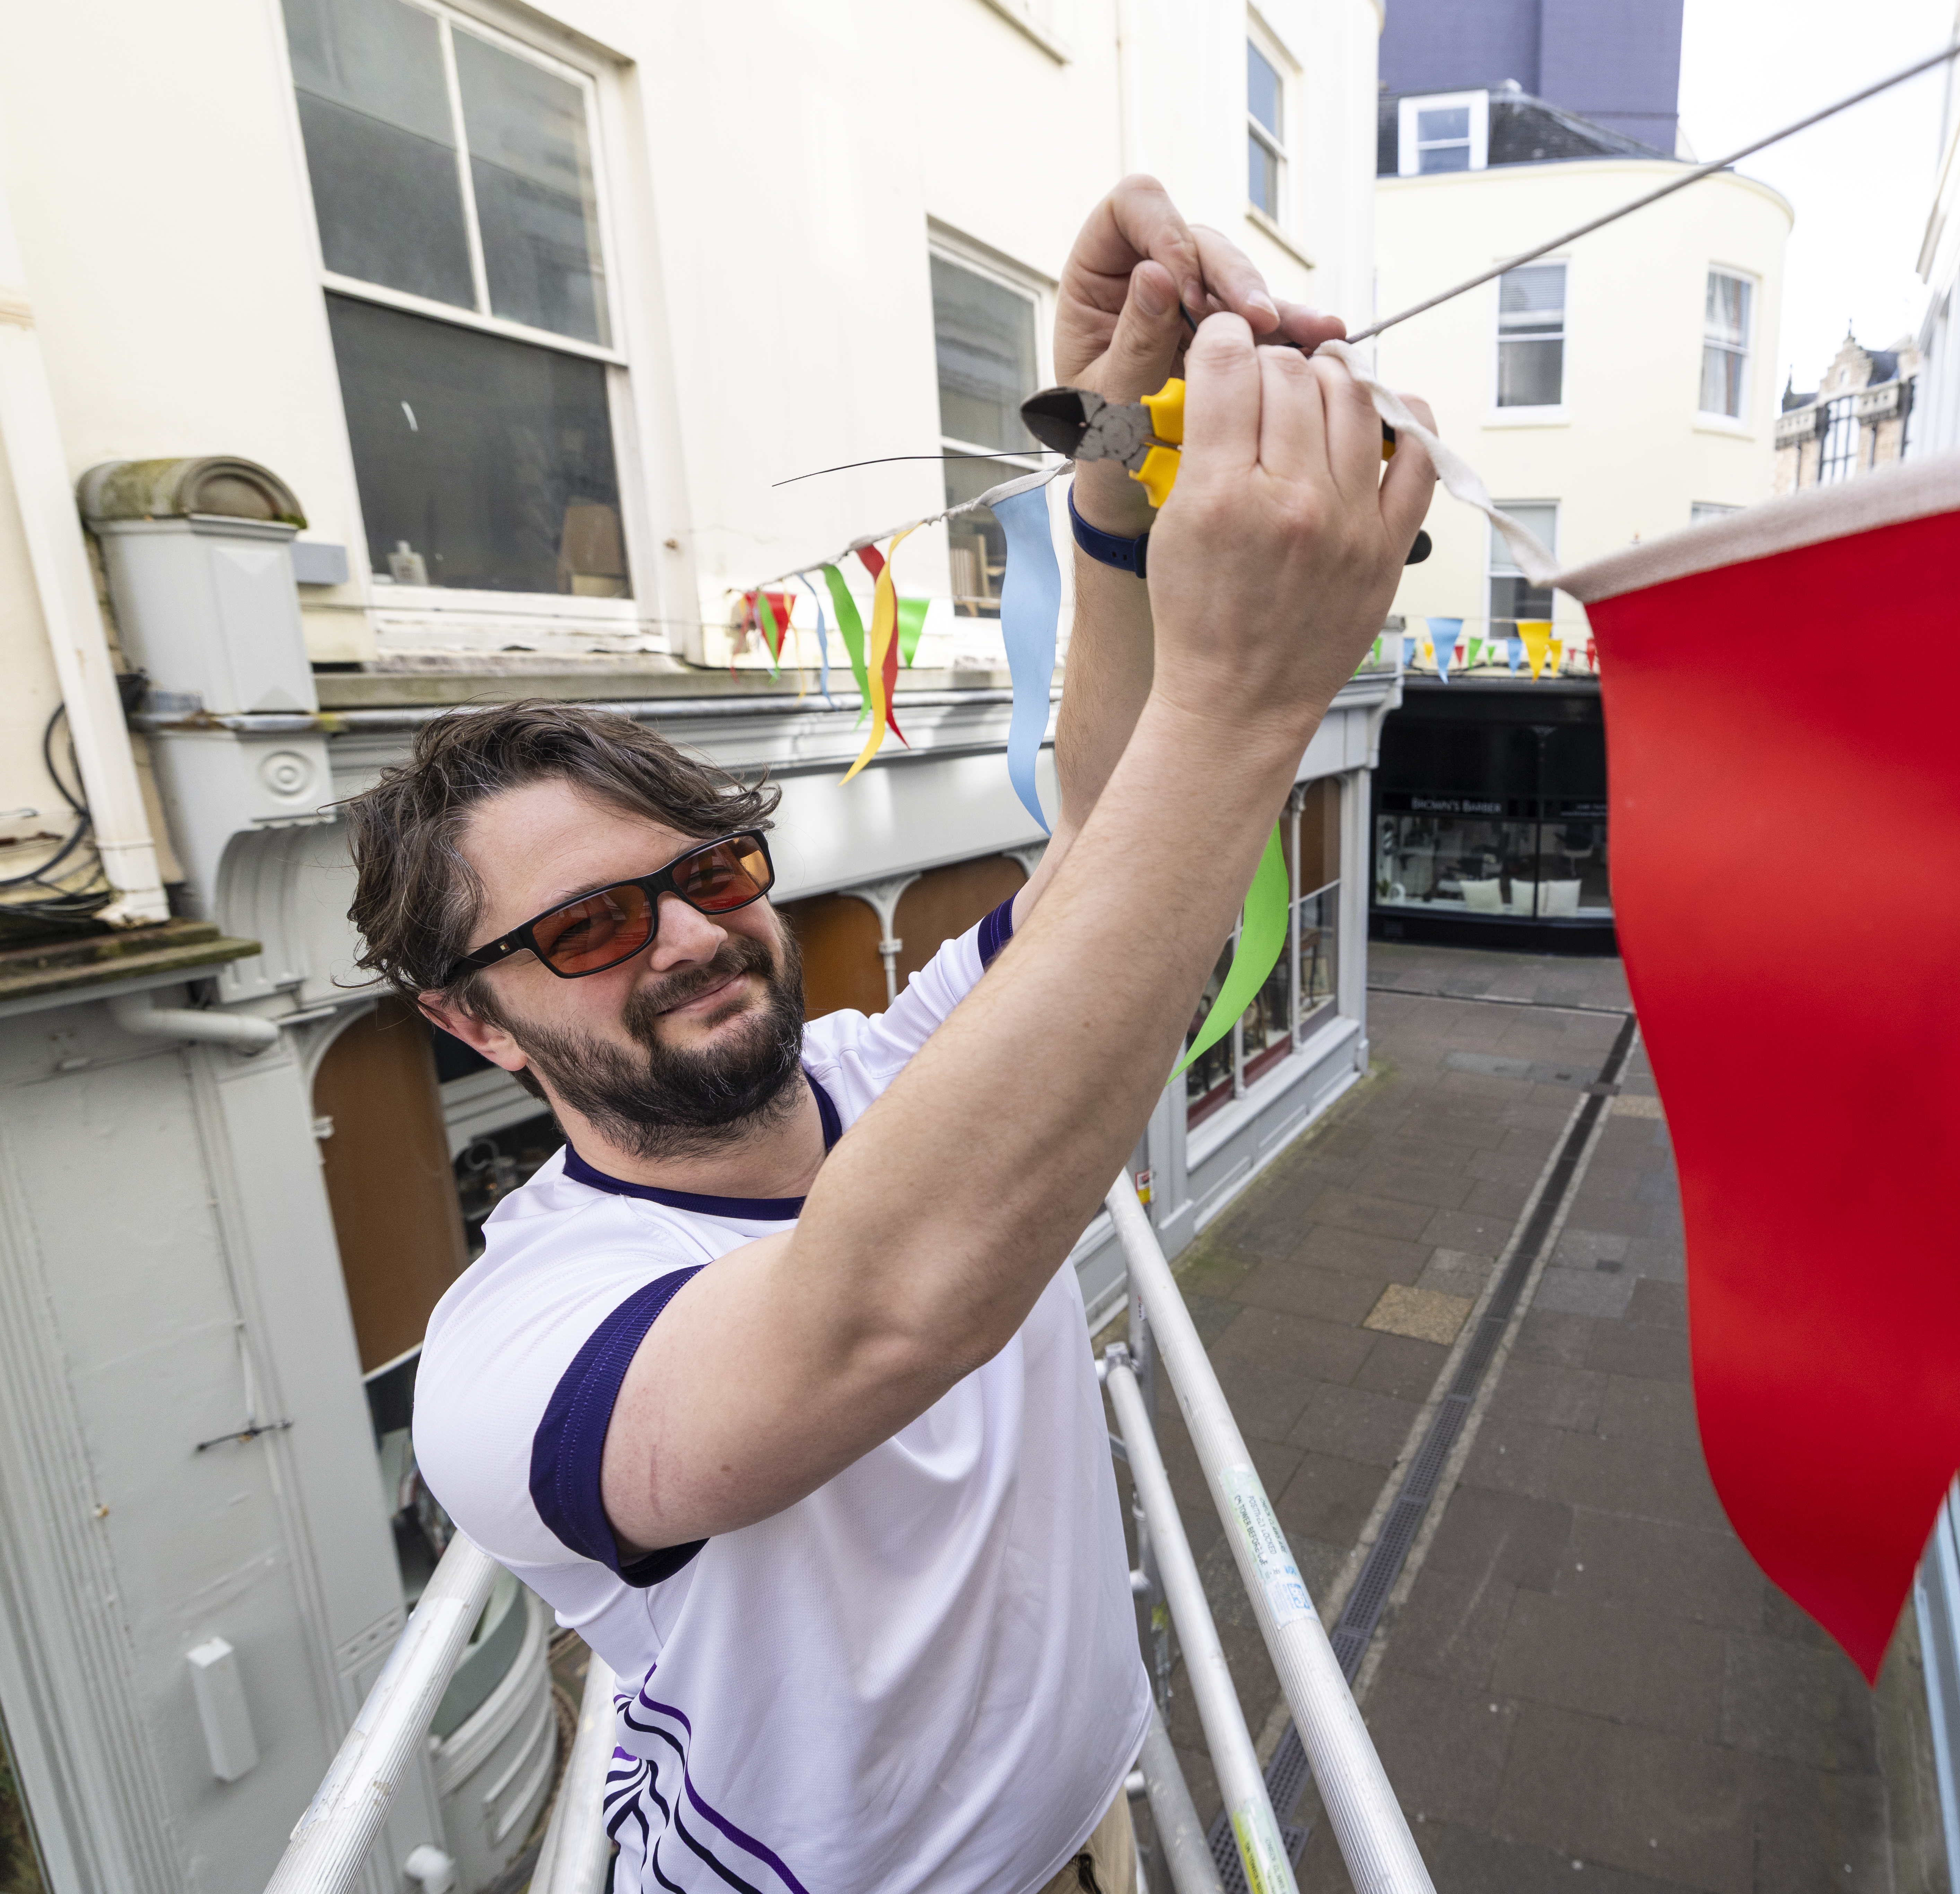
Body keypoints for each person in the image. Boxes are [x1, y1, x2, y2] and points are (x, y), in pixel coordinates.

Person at [347, 177, 1438, 1894]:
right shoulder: (513, 1351)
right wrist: (1249, 700)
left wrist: (1109, 475)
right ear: (467, 1017)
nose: (689, 935)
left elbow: (1109, 857)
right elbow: (875, 1317)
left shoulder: (880, 1065)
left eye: (707, 871)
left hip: (1093, 1830)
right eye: (587, 926)